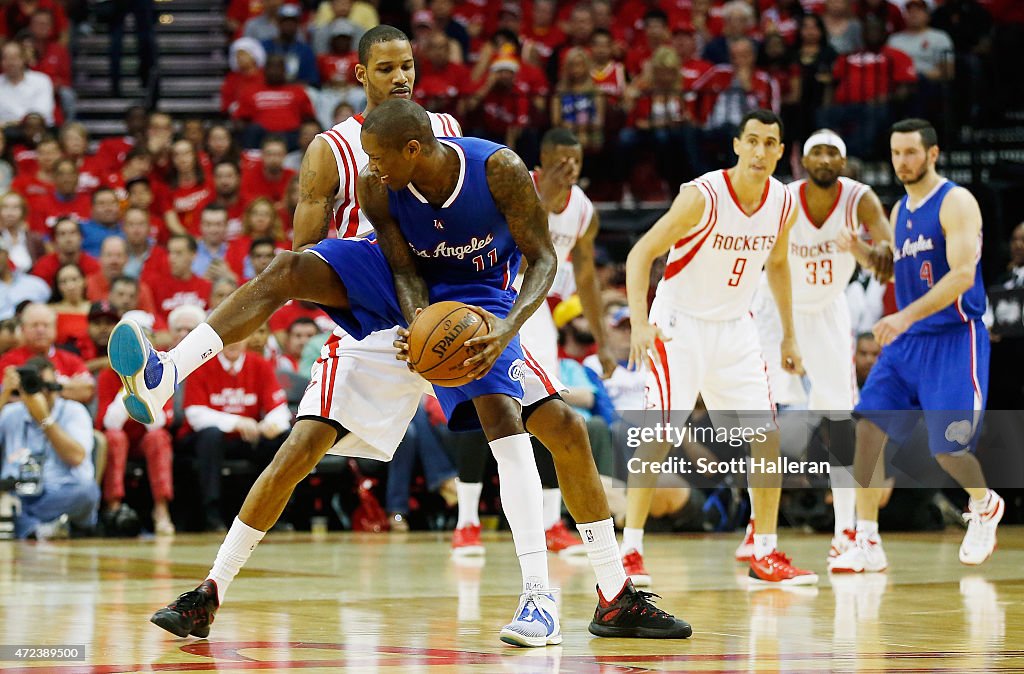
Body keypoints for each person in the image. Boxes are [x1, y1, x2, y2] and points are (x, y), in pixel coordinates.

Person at [111, 27, 687, 645]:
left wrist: (497, 325)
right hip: (382, 288)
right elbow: (344, 251)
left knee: (531, 423)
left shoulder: (472, 151)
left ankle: (558, 598)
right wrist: (397, 314)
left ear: (414, 142)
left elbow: (540, 256)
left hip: (470, 299)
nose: (401, 76)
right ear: (360, 75)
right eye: (386, 68)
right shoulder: (341, 159)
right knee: (297, 399)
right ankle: (168, 380)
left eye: (407, 65)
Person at [622, 109, 818, 587]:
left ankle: (763, 548)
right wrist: (639, 322)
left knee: (765, 436)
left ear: (779, 151)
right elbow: (640, 253)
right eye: (752, 141)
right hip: (679, 323)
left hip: (735, 326)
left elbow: (777, 265)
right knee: (658, 434)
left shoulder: (784, 203)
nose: (760, 151)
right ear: (737, 145)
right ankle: (629, 549)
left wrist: (789, 333)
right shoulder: (702, 196)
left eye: (770, 143)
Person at [832, 118, 1003, 573]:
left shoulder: (956, 202)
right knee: (867, 430)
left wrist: (904, 316)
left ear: (932, 154)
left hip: (953, 337)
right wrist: (861, 254)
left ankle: (984, 504)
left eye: (910, 152)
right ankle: (866, 540)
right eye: (895, 153)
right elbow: (896, 273)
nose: (902, 161)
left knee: (948, 448)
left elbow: (963, 274)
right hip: (910, 343)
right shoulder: (898, 211)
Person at [452, 128, 616, 558]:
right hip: (492, 292)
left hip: (536, 306)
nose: (570, 169)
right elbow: (512, 253)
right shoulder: (515, 182)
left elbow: (586, 281)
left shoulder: (583, 211)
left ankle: (550, 523)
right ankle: (466, 522)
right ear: (543, 160)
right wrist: (541, 197)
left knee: (545, 407)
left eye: (576, 162)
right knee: (482, 402)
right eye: (561, 161)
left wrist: (604, 343)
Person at [745, 129, 893, 570]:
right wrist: (787, 331)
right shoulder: (783, 198)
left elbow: (884, 260)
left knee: (840, 417)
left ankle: (845, 530)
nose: (825, 158)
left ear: (843, 163)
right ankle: (758, 527)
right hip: (776, 309)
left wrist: (863, 247)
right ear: (802, 161)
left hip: (828, 311)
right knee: (761, 417)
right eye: (817, 152)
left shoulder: (860, 199)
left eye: (833, 152)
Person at [0, 357, 99, 539]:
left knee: (87, 491)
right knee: (10, 502)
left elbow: (76, 457)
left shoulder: (74, 411)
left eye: (46, 386)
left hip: (57, 492)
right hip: (17, 493)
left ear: (56, 387)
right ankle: (44, 528)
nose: (41, 392)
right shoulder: (10, 412)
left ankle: (28, 526)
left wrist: (45, 419)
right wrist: (5, 394)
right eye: (33, 385)